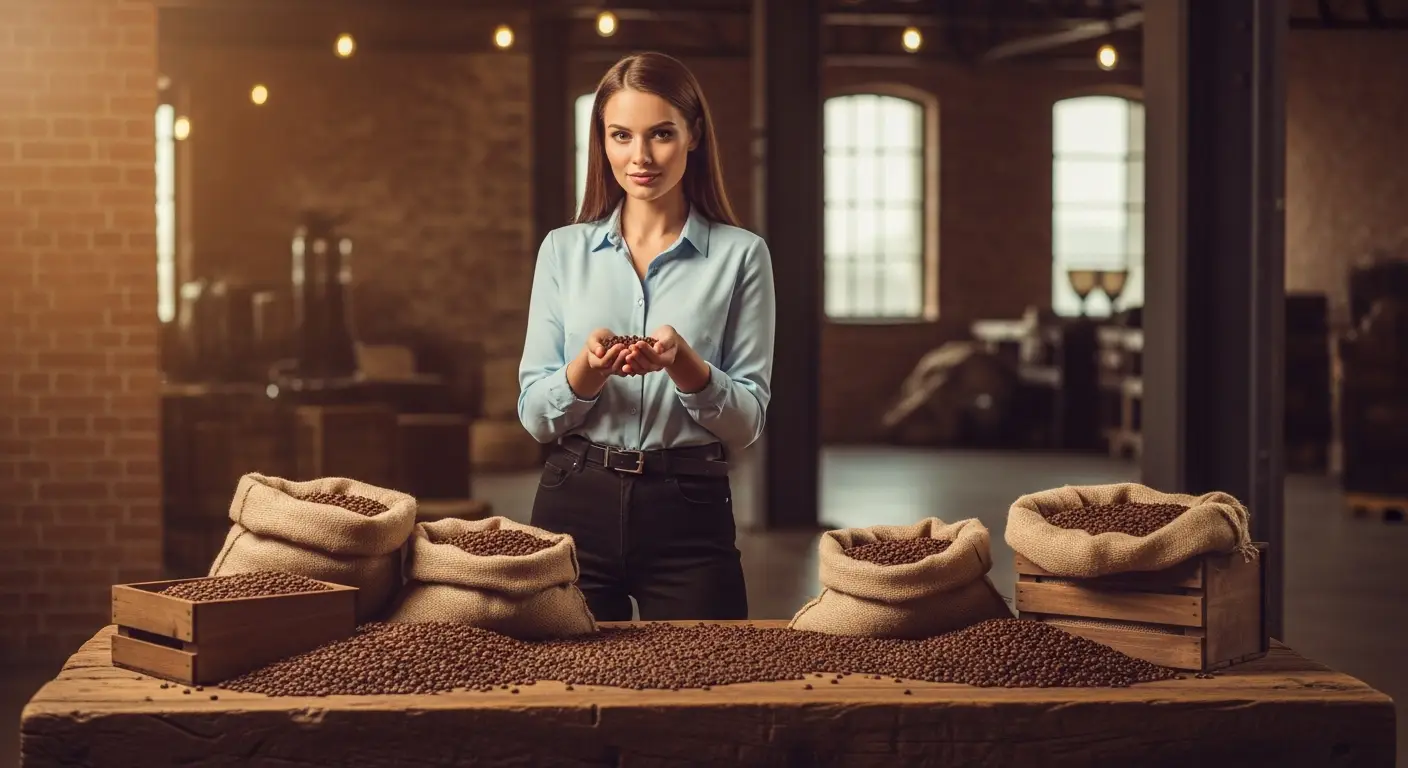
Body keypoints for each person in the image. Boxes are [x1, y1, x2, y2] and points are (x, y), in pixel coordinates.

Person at [516, 52, 776, 622]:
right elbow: (536, 417)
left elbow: (747, 423)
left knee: (709, 692)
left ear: (694, 136)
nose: (640, 156)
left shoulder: (742, 256)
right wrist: (588, 369)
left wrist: (686, 365)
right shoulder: (562, 251)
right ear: (602, 142)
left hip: (691, 509)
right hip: (573, 502)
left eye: (661, 134)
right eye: (621, 135)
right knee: (568, 697)